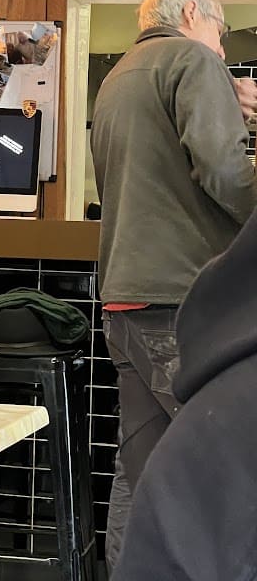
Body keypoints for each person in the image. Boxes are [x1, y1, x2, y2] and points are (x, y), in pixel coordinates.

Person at [90, 0, 257, 573]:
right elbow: (228, 176)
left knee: (142, 472)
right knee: (223, 465)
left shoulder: (118, 77)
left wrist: (229, 107)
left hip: (124, 300)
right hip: (181, 300)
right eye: (222, 32)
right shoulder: (192, 59)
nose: (224, 50)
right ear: (191, 16)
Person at [112, 204, 257, 580]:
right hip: (174, 286)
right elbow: (223, 173)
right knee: (199, 485)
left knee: (141, 474)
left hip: (121, 290)